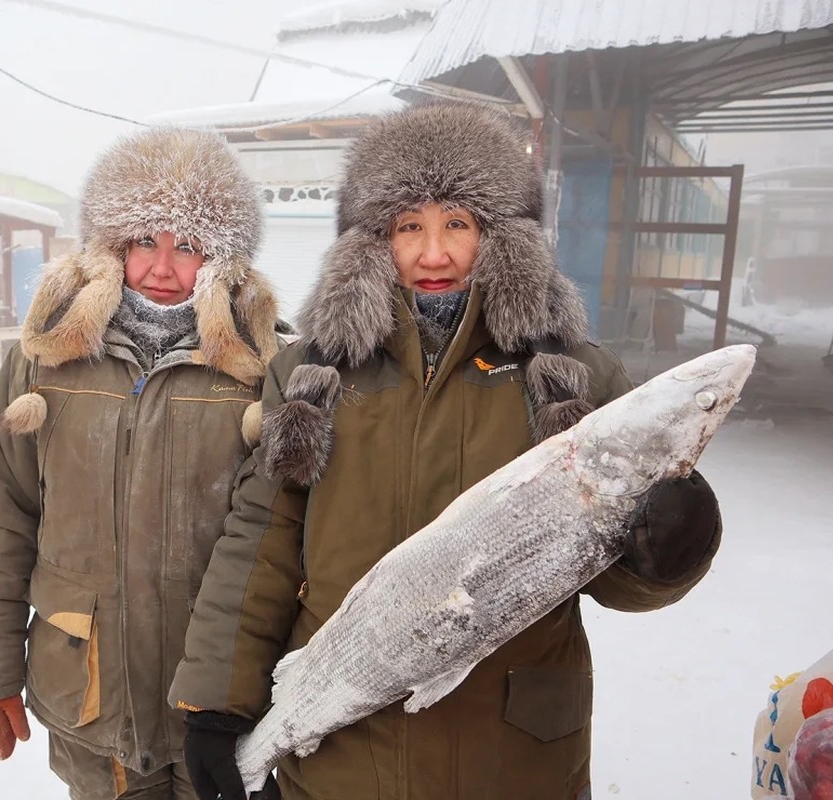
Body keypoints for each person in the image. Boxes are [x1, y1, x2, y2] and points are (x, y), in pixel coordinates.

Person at [170, 102, 723, 800]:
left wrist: (668, 547)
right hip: (346, 751)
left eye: (457, 224)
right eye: (409, 227)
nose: (434, 254)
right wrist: (219, 701)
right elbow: (265, 537)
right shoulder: (315, 375)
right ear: (372, 241)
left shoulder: (574, 376)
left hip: (513, 757)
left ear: (501, 236)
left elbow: (610, 575)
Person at [0, 126, 284, 800]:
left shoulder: (266, 370)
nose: (162, 269)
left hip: (221, 708)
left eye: (186, 246)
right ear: (110, 247)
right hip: (89, 701)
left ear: (222, 258)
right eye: (143, 242)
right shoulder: (45, 361)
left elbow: (294, 545)